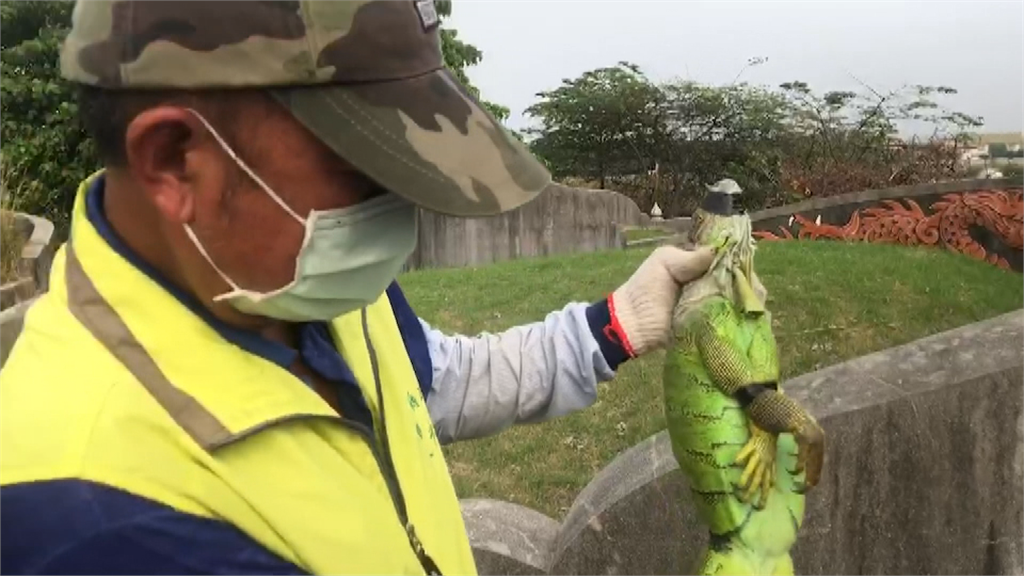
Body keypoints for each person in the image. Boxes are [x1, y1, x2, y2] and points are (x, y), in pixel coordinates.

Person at [0, 1, 714, 574]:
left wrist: (615, 324)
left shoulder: (289, 284)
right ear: (173, 160)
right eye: (366, 165)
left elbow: (432, 385)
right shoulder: (99, 521)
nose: (402, 207)